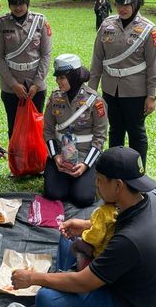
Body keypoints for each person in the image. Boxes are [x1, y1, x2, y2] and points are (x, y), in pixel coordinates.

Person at [11, 146, 156, 307]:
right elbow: (115, 225)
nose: (95, 185)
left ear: (118, 185)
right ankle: (64, 280)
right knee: (69, 237)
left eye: (99, 180)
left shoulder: (130, 239)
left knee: (47, 297)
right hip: (124, 277)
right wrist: (86, 225)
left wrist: (32, 278)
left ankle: (63, 287)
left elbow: (85, 283)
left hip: (125, 299)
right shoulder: (147, 200)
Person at [89, 0, 156, 167]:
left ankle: (137, 173)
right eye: (120, 3)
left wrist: (151, 96)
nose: (123, 8)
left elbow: (154, 66)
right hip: (110, 89)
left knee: (136, 133)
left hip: (135, 92)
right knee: (115, 131)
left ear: (136, 2)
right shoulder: (107, 24)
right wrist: (91, 90)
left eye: (127, 4)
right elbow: (97, 59)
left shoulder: (148, 29)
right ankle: (115, 172)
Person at [43, 54, 108, 207]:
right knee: (54, 194)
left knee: (83, 198)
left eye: (62, 78)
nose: (58, 82)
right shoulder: (54, 98)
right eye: (57, 77)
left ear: (73, 77)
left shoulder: (95, 101)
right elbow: (48, 130)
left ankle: (84, 178)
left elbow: (100, 138)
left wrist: (85, 164)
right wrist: (55, 156)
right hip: (60, 155)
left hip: (85, 155)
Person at [0, 0, 52, 138]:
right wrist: (13, 85)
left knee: (36, 128)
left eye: (21, 3)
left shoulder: (40, 21)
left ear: (27, 1)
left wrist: (37, 84)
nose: (17, 8)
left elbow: (46, 54)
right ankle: (17, 162)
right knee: (15, 129)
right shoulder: (1, 24)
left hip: (35, 85)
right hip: (11, 87)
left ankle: (36, 162)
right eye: (13, 4)